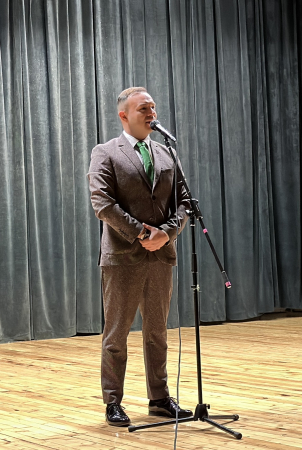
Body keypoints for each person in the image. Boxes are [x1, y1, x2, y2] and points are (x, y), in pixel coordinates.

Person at [88, 87, 192, 426]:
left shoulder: (166, 152)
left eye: (153, 107)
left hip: (161, 256)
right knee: (116, 334)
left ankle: (159, 398)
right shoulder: (106, 153)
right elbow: (102, 204)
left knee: (157, 332)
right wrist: (143, 233)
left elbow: (185, 202)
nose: (151, 114)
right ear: (124, 115)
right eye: (143, 109)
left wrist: (167, 233)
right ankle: (113, 402)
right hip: (122, 257)